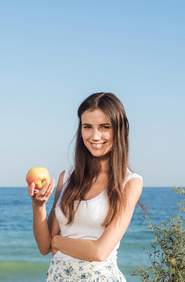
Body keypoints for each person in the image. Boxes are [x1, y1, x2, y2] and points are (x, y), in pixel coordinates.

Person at [27, 92, 143, 281]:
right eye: (87, 127)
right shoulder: (68, 177)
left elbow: (99, 251)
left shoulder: (130, 183)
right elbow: (44, 247)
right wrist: (38, 206)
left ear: (119, 129)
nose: (95, 136)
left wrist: (57, 241)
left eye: (104, 127)